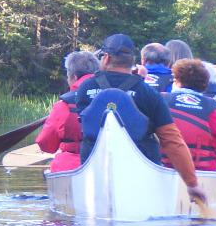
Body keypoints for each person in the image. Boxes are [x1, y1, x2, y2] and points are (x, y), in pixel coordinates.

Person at [71, 34, 207, 206]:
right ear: (132, 62)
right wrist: (192, 184)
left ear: (106, 58)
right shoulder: (148, 93)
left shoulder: (85, 89)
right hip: (140, 177)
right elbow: (172, 141)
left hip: (95, 176)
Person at [162, 59, 216, 172]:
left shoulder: (161, 100)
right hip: (203, 172)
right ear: (204, 85)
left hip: (165, 168)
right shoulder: (209, 107)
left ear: (177, 81)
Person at [37, 50, 98, 172]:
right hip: (105, 163)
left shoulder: (64, 105)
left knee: (58, 162)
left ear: (74, 77)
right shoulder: (112, 94)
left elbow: (46, 144)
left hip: (71, 166)